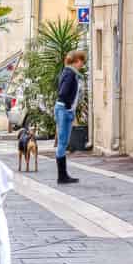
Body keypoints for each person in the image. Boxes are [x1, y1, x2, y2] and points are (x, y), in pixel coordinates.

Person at [54, 50, 85, 184]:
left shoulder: (68, 72)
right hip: (64, 110)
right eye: (81, 62)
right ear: (76, 61)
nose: (82, 65)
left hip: (63, 109)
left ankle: (63, 175)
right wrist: (68, 109)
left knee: (63, 142)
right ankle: (62, 176)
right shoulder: (70, 74)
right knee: (62, 142)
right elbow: (63, 93)